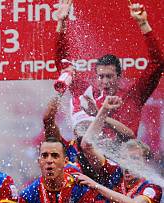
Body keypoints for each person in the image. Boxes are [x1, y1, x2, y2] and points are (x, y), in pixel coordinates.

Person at [55, 0, 162, 135]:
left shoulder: (133, 96)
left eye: (109, 76)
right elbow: (62, 66)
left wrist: (143, 24)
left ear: (119, 77)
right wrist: (62, 22)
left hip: (124, 154)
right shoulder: (87, 93)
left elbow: (157, 64)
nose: (105, 81)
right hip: (90, 154)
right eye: (101, 76)